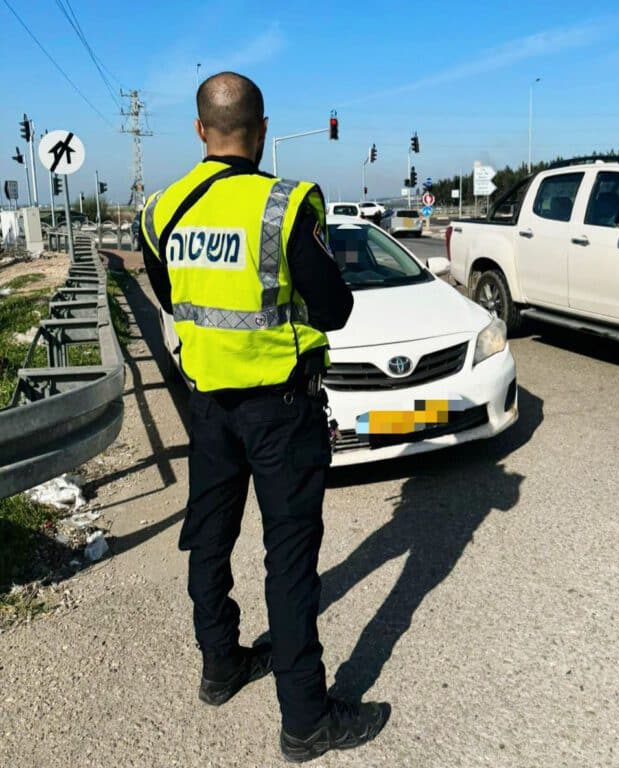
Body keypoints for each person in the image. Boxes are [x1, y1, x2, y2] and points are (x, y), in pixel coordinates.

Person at [140, 72, 389, 762]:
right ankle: (305, 718)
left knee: (210, 538)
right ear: (263, 128)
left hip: (207, 407)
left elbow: (169, 295)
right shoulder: (284, 203)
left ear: (199, 129)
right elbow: (334, 308)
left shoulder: (162, 208)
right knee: (288, 559)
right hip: (281, 411)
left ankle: (220, 665)